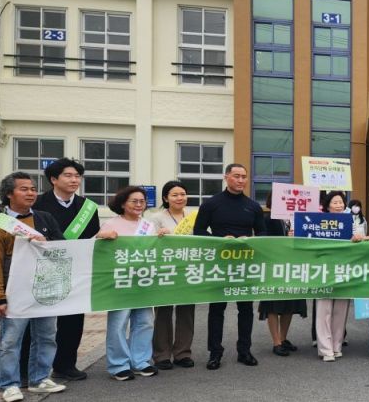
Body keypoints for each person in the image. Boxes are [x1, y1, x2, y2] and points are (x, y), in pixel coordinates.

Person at [0, 172, 68, 401]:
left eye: (32, 189)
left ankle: (39, 379)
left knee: (46, 336)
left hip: (45, 288)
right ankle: (9, 384)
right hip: (14, 293)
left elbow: (63, 247)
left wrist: (46, 244)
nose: (31, 193)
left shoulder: (44, 218)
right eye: (24, 189)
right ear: (9, 194)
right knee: (11, 341)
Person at [32, 158, 102, 382]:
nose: (74, 180)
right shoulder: (37, 203)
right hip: (42, 270)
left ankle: (65, 365)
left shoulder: (87, 207)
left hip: (75, 270)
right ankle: (30, 370)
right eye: (68, 175)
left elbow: (92, 236)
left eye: (77, 176)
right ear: (53, 179)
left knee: (73, 319)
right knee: (38, 322)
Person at [193, 163, 266, 370]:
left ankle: (244, 351)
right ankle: (215, 353)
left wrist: (250, 239)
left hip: (245, 264)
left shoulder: (253, 206)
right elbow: (199, 230)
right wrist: (219, 239)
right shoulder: (211, 204)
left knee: (246, 309)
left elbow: (262, 232)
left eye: (244, 176)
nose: (241, 180)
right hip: (219, 263)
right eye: (236, 176)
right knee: (217, 309)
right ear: (226, 177)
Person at [95, 186, 159, 381]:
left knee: (145, 322)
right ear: (123, 203)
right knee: (119, 323)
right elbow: (98, 250)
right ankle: (118, 364)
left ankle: (141, 361)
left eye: (142, 201)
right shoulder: (111, 224)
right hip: (120, 282)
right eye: (134, 201)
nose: (139, 205)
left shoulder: (148, 225)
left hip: (143, 281)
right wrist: (101, 237)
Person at [148, 181, 196, 370]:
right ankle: (162, 355)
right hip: (165, 270)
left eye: (183, 194)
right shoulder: (156, 218)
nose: (179, 198)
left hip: (187, 270)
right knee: (163, 312)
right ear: (166, 198)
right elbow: (148, 240)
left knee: (187, 312)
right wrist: (159, 235)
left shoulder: (192, 217)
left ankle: (183, 353)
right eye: (175, 195)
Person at [259, 194, 307, 358]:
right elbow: (263, 241)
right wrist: (284, 239)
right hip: (274, 267)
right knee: (272, 305)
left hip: (294, 267)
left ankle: (283, 338)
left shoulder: (300, 220)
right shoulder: (267, 219)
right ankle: (276, 342)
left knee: (290, 304)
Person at [313, 191, 352, 362]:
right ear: (327, 206)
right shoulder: (318, 222)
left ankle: (337, 346)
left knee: (341, 311)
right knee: (324, 310)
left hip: (344, 268)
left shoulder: (351, 221)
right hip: (323, 269)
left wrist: (358, 238)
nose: (338, 205)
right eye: (335, 202)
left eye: (341, 202)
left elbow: (361, 240)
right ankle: (325, 349)